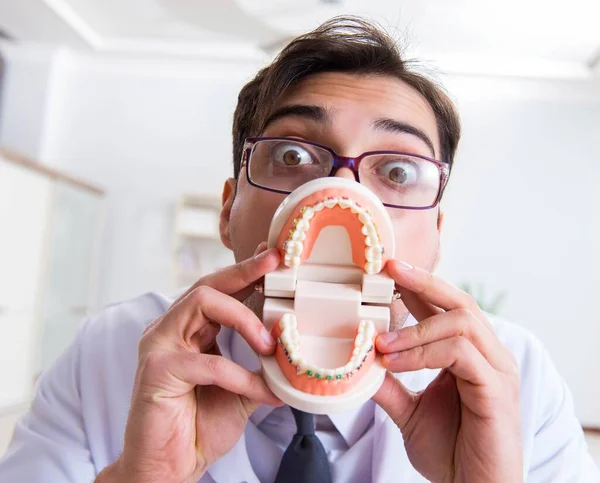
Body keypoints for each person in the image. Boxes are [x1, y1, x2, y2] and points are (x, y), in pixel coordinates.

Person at [0, 16, 598, 483]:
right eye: (292, 157)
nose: (339, 193)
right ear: (229, 210)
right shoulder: (112, 356)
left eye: (396, 170)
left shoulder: (515, 380)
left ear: (436, 233)